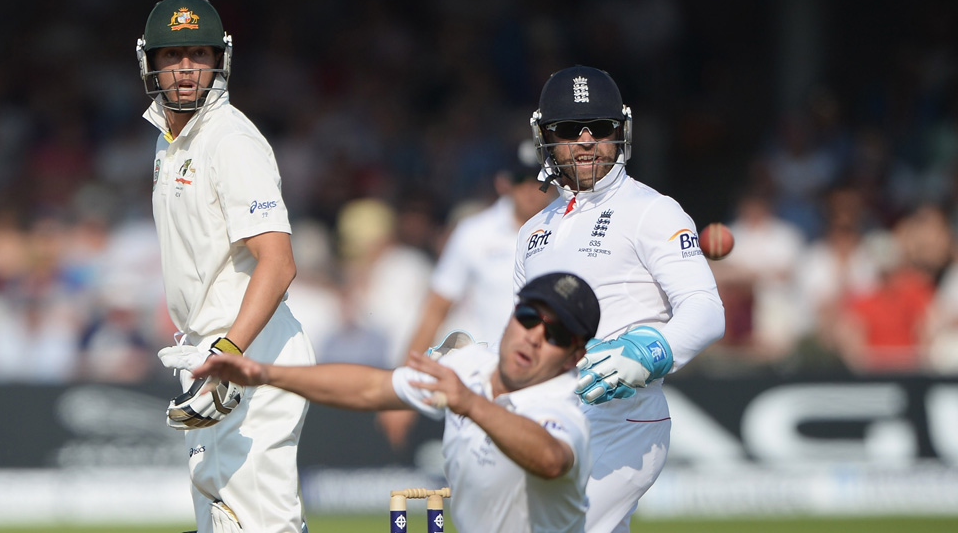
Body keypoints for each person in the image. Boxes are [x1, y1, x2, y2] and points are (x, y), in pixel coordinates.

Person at [190, 272, 600, 533]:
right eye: (530, 316)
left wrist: (470, 404)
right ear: (512, 314)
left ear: (574, 355)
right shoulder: (470, 366)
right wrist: (265, 374)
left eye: (557, 334)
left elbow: (550, 459)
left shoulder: (563, 409)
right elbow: (371, 388)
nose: (534, 336)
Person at [517, 66, 726, 533]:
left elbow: (706, 310)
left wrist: (648, 353)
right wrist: (471, 360)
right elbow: (523, 337)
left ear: (622, 132)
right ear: (546, 137)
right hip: (550, 417)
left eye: (602, 128)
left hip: (623, 416)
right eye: (571, 130)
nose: (587, 142)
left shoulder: (652, 209)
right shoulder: (532, 231)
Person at [138, 0, 315, 533]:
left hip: (247, 353)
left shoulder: (230, 139)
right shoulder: (171, 145)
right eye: (173, 55)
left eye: (199, 53)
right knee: (223, 522)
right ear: (149, 61)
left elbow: (278, 262)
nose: (187, 68)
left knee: (261, 524)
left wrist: (229, 353)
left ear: (220, 59)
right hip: (215, 354)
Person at [376, 139, 556, 448]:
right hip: (493, 381)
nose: (531, 189)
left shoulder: (571, 225)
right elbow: (435, 309)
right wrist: (404, 389)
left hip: (556, 375)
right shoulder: (473, 234)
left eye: (540, 180)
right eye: (521, 179)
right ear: (503, 184)